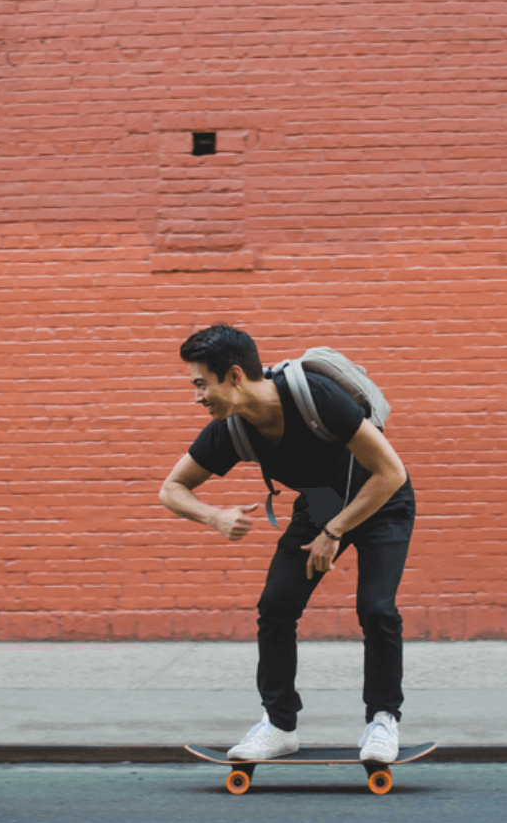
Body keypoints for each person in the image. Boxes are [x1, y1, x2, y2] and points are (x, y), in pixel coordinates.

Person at [159, 324, 416, 763]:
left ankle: (382, 720)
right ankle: (279, 726)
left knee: (376, 608)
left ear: (235, 376)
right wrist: (216, 516)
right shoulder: (233, 430)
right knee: (277, 605)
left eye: (202, 384)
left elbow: (390, 473)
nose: (197, 396)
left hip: (379, 501)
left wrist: (333, 532)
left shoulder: (314, 397)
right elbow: (172, 489)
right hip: (319, 505)